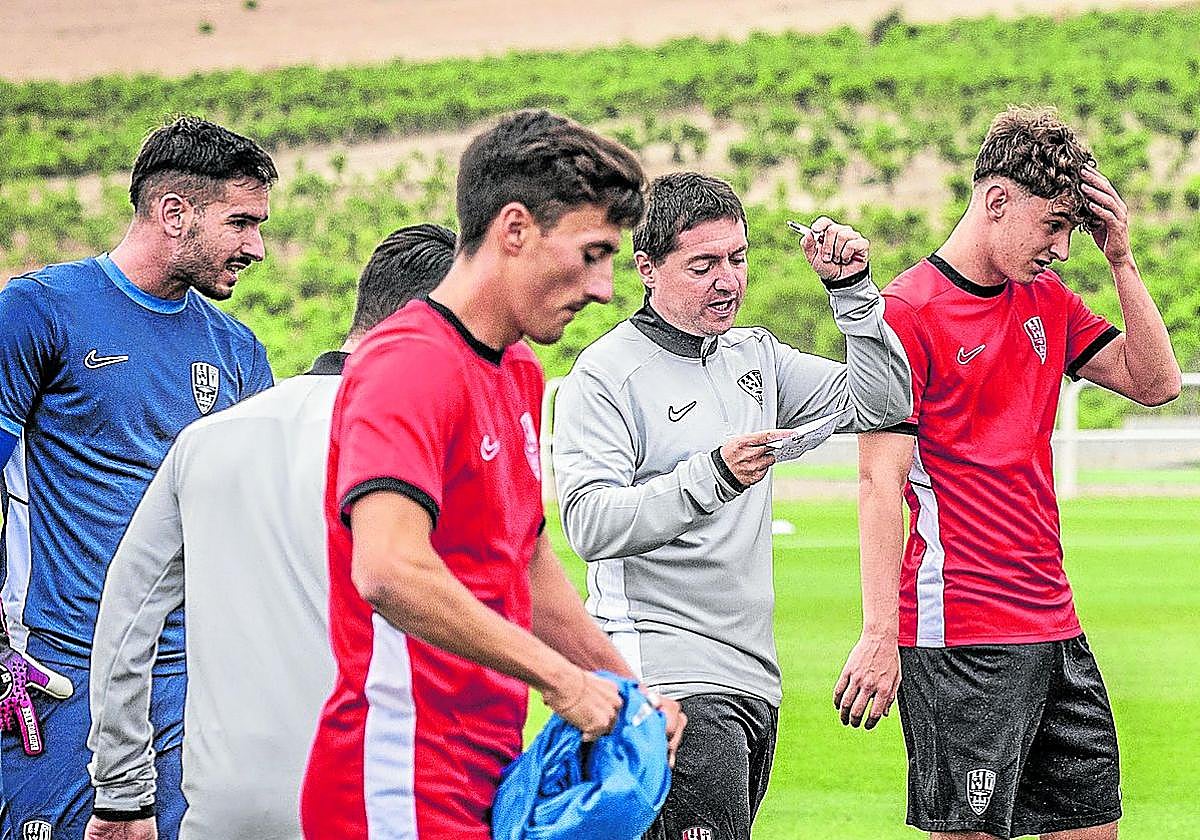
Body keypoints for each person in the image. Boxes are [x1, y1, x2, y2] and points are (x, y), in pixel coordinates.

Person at [299, 109, 685, 840]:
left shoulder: (518, 371)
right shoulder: (408, 363)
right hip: (396, 775)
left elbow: (528, 563)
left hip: (490, 773)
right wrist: (562, 680)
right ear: (514, 230)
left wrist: (628, 690)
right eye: (592, 253)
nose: (604, 288)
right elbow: (388, 570)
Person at [835, 106, 1181, 840]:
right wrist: (878, 632)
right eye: (1054, 225)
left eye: (1072, 231)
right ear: (996, 202)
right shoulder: (905, 313)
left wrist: (1122, 258)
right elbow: (879, 484)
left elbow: (1156, 384)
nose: (1062, 247)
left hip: (1056, 625)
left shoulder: (1045, 301)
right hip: (961, 633)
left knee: (1096, 827)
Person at [552, 171, 913, 840]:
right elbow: (590, 524)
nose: (728, 280)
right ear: (647, 270)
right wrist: (712, 475)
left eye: (737, 259)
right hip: (666, 680)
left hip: (752, 682)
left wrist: (855, 296)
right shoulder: (603, 376)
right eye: (703, 265)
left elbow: (886, 404)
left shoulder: (755, 357)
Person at [83, 224, 457, 840]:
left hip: (230, 808)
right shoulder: (431, 449)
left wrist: (122, 792)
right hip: (377, 798)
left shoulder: (206, 440)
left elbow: (127, 621)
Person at [0, 115, 278, 840]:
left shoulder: (239, 349)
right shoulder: (38, 312)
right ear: (174, 212)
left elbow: (253, 532)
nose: (257, 247)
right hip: (61, 672)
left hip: (193, 684)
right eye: (241, 222)